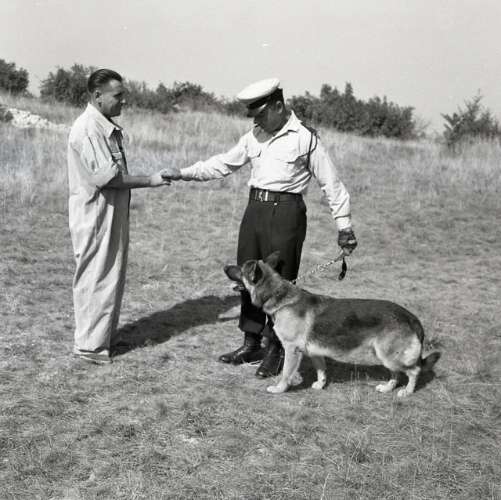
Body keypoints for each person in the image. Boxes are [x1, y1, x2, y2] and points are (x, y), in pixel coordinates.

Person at [167, 78, 357, 378]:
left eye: (260, 114)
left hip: (287, 213)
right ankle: (251, 342)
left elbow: (331, 184)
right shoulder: (254, 136)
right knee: (248, 277)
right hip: (254, 210)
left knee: (280, 283)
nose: (256, 121)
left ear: (278, 107)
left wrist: (344, 226)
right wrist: (182, 173)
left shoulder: (305, 138)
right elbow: (222, 164)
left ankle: (277, 350)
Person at [68, 68, 172, 364]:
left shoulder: (103, 125)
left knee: (110, 273)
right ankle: (89, 346)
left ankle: (103, 338)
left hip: (109, 213)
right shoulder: (89, 128)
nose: (123, 100)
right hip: (96, 215)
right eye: (118, 95)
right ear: (97, 96)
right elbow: (109, 179)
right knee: (97, 276)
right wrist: (151, 180)